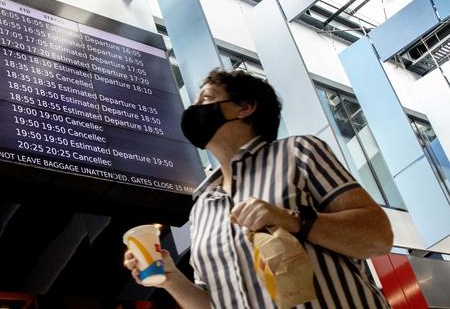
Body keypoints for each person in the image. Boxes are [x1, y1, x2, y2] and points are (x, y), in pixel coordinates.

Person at [124, 69, 393, 308]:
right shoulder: (202, 209)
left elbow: (378, 236)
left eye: (206, 99)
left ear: (244, 107)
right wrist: (171, 280)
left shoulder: (299, 152)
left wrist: (292, 221)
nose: (196, 110)